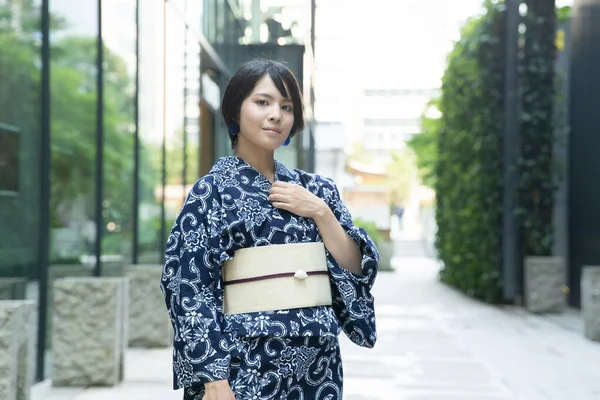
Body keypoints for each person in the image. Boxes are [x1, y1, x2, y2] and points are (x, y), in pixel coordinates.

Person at [160, 59, 378, 400]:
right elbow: (187, 287)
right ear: (235, 111)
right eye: (263, 102)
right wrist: (213, 380)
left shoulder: (318, 191)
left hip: (316, 363)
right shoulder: (211, 192)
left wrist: (320, 212)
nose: (276, 114)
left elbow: (354, 266)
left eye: (286, 106)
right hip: (243, 363)